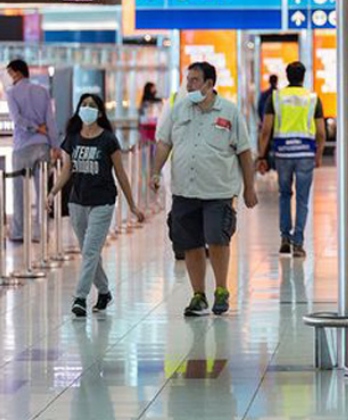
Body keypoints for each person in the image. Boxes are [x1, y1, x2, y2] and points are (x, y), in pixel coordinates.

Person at [151, 61, 258, 317]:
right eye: (187, 79)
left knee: (217, 239)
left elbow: (244, 151)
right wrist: (155, 172)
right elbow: (164, 143)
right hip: (184, 190)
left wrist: (249, 188)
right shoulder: (178, 109)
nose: (189, 85)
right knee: (190, 243)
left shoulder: (229, 111)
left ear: (209, 84)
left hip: (218, 191)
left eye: (195, 80)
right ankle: (198, 295)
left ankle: (221, 289)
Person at [47, 94, 145, 317]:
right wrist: (52, 193)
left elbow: (121, 174)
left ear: (100, 113)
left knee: (91, 251)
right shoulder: (72, 138)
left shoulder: (108, 140)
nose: (87, 108)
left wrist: (132, 205)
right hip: (77, 202)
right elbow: (66, 171)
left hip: (103, 201)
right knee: (88, 252)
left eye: (92, 105)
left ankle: (80, 298)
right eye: (84, 105)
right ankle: (104, 291)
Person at [257, 62, 326, 258]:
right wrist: (319, 155)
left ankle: (285, 238)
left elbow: (266, 130)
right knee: (303, 199)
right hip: (305, 153)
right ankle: (298, 243)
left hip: (283, 153)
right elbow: (321, 133)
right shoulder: (313, 99)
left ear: (287, 76)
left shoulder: (276, 98)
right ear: (303, 77)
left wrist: (261, 156)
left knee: (284, 195)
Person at [5, 59, 59, 243]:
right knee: (43, 191)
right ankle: (41, 233)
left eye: (10, 73)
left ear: (17, 72)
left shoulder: (11, 93)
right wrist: (55, 145)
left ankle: (19, 232)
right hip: (43, 146)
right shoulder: (42, 91)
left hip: (22, 146)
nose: (10, 77)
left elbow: (17, 119)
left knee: (19, 192)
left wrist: (35, 128)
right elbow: (50, 120)